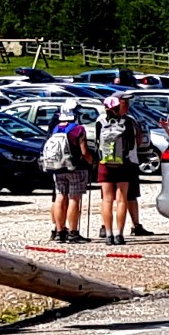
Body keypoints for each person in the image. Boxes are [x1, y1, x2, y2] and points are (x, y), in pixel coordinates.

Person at [96, 95, 148, 241]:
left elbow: (96, 144)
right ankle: (119, 234)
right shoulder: (128, 122)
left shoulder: (100, 122)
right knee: (121, 200)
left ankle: (108, 234)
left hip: (105, 164)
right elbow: (133, 144)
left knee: (106, 200)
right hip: (124, 163)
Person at [43, 105, 96, 243]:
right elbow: (84, 151)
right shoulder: (78, 129)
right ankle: (73, 232)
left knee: (60, 197)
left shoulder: (56, 128)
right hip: (75, 168)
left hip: (58, 167)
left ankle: (60, 232)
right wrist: (92, 162)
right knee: (74, 198)